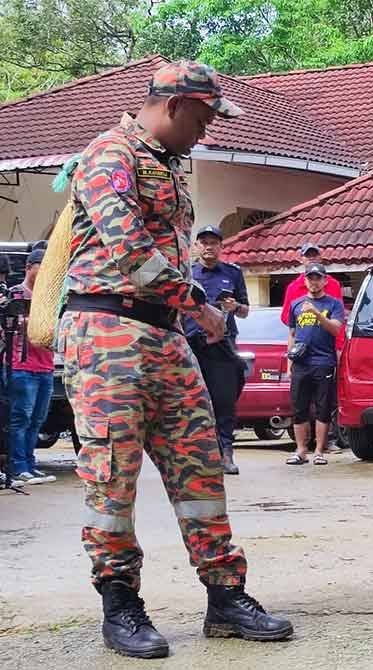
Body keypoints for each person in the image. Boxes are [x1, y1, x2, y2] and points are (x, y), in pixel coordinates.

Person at [58, 59, 292, 658]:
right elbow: (130, 249)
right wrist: (199, 307)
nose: (206, 131)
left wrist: (185, 313)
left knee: (200, 468)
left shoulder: (165, 164)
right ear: (175, 105)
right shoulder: (109, 155)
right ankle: (120, 604)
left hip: (164, 334)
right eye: (204, 118)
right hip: (107, 330)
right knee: (112, 475)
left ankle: (226, 596)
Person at [186, 225, 249, 476]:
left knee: (224, 402)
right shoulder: (187, 273)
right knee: (192, 403)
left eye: (213, 242)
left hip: (222, 346)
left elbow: (245, 311)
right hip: (192, 344)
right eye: (204, 242)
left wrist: (234, 307)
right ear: (196, 246)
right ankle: (196, 456)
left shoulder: (232, 273)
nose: (209, 247)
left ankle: (226, 454)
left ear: (221, 247)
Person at [7, 247, 57, 486]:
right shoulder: (16, 295)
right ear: (29, 267)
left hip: (46, 366)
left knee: (37, 420)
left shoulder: (50, 298)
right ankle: (18, 466)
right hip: (22, 366)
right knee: (21, 419)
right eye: (42, 267)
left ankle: (29, 464)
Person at [286, 263, 344, 466]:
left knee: (323, 408)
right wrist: (289, 362)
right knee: (299, 408)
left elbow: (336, 329)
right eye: (310, 278)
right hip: (301, 363)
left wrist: (317, 313)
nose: (314, 282)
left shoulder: (334, 304)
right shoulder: (296, 304)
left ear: (325, 281)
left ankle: (319, 451)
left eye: (318, 278)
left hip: (323, 362)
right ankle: (301, 450)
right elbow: (292, 334)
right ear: (305, 280)